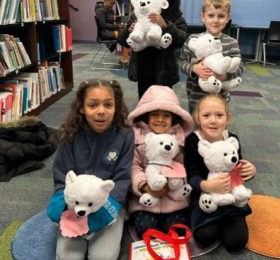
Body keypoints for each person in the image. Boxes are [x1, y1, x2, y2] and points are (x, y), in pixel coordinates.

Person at [47, 79, 134, 260]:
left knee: (103, 257)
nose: (101, 111)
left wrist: (106, 212)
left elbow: (123, 179)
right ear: (81, 107)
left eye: (108, 105)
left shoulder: (125, 135)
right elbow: (62, 174)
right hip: (75, 207)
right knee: (67, 257)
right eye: (93, 105)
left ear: (116, 106)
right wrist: (63, 204)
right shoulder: (70, 133)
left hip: (108, 205)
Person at [184, 94, 256, 252]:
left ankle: (226, 218)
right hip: (204, 196)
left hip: (230, 196)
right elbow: (191, 175)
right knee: (205, 237)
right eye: (206, 115)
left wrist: (250, 170)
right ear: (197, 117)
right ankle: (214, 220)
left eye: (219, 115)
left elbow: (237, 168)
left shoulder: (232, 139)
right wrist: (207, 185)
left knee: (236, 242)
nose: (213, 120)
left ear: (227, 118)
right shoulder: (192, 141)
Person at [127, 85, 194, 238]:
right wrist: (144, 186)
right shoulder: (138, 139)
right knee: (146, 230)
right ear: (146, 117)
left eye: (166, 116)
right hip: (146, 198)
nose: (160, 119)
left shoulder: (179, 138)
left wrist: (175, 183)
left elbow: (183, 166)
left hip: (173, 197)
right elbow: (134, 167)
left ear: (173, 118)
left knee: (177, 230)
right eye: (155, 115)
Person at [117, 0, 188, 99]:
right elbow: (122, 40)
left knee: (164, 104)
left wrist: (165, 25)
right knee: (144, 101)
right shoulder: (138, 13)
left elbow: (182, 39)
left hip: (164, 69)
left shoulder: (175, 15)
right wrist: (129, 30)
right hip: (143, 67)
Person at [179, 0, 243, 114]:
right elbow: (181, 62)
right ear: (203, 17)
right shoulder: (193, 40)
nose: (216, 20)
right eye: (211, 15)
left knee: (217, 128)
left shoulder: (231, 43)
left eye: (221, 16)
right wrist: (194, 68)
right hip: (196, 98)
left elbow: (239, 69)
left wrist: (223, 76)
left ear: (228, 18)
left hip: (220, 99)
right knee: (196, 129)